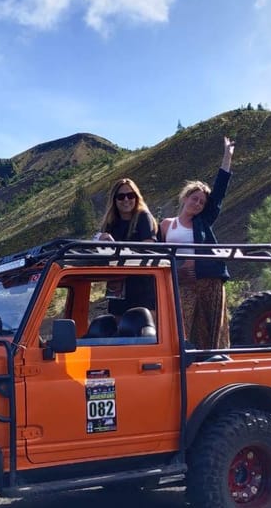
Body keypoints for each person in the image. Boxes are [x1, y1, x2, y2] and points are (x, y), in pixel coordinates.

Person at [159, 136, 235, 349]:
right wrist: (177, 270)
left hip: (208, 279)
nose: (198, 204)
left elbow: (218, 194)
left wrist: (227, 158)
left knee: (212, 329)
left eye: (202, 202)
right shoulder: (166, 225)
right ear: (185, 198)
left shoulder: (202, 221)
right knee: (181, 327)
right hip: (182, 282)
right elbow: (160, 257)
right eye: (195, 198)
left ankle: (217, 365)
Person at [95, 178, 158, 316]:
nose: (126, 200)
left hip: (143, 286)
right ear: (114, 200)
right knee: (119, 332)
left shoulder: (143, 217)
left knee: (146, 332)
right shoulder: (110, 223)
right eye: (121, 196)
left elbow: (148, 248)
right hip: (117, 285)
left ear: (136, 197)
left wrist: (118, 249)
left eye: (130, 195)